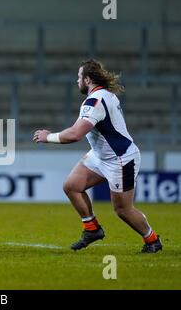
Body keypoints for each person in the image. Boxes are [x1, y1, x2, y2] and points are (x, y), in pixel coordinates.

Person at [33, 59, 162, 253]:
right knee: (72, 186)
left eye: (79, 77)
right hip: (101, 156)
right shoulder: (104, 96)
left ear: (87, 79)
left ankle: (152, 240)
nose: (76, 81)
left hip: (120, 159)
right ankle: (92, 229)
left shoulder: (95, 101)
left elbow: (76, 134)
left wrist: (48, 137)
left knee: (123, 210)